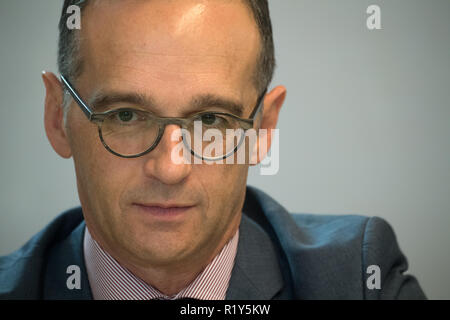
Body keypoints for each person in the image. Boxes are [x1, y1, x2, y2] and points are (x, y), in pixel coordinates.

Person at [0, 0, 426, 300]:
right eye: (127, 116)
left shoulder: (358, 282)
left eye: (210, 120)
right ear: (58, 117)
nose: (170, 168)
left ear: (263, 127)